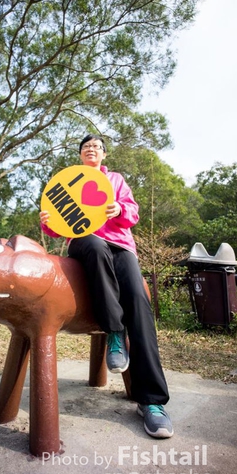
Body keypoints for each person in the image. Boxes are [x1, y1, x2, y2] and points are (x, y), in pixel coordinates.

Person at [40, 134, 173, 439]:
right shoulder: (67, 182)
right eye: (86, 146)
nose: (91, 149)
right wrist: (46, 221)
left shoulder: (115, 180)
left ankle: (152, 402)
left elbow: (133, 214)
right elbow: (56, 228)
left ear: (103, 154)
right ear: (80, 154)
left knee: (138, 300)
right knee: (96, 246)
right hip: (85, 244)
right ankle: (114, 333)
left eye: (97, 146)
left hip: (121, 247)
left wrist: (119, 210)